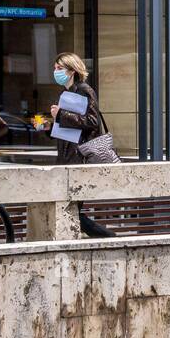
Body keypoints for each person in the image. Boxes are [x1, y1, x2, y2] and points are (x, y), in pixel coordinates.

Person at [48, 52, 115, 237]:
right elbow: (69, 129)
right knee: (65, 206)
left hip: (80, 157)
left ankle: (107, 237)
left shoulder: (84, 90)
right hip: (66, 157)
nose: (56, 72)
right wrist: (50, 125)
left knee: (72, 209)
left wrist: (61, 115)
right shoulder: (66, 93)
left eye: (59, 68)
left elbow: (92, 121)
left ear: (72, 71)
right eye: (55, 68)